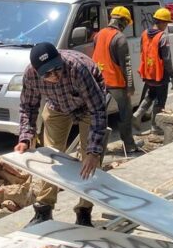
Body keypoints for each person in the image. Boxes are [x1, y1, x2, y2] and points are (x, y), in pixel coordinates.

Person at [15, 42, 109, 227]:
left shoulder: (77, 68)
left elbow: (98, 110)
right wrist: (25, 137)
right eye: (48, 73)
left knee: (89, 162)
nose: (55, 75)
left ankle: (84, 211)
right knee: (50, 157)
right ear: (36, 70)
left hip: (89, 107)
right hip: (57, 106)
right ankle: (43, 210)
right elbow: (28, 106)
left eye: (57, 68)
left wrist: (93, 152)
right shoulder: (31, 76)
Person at [92, 6, 140, 153]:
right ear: (123, 21)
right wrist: (130, 86)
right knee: (125, 114)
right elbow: (126, 66)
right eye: (126, 23)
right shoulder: (120, 38)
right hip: (115, 83)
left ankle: (95, 146)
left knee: (98, 115)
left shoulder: (99, 35)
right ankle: (129, 145)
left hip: (98, 80)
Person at [133, 8, 173, 131]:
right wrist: (172, 76)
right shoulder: (162, 37)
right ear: (162, 22)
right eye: (166, 23)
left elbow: (143, 52)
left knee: (150, 94)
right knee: (160, 100)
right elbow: (167, 59)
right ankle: (155, 126)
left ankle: (137, 115)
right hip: (160, 73)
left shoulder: (144, 33)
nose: (167, 25)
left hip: (148, 71)